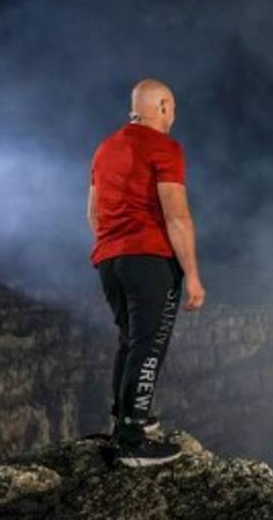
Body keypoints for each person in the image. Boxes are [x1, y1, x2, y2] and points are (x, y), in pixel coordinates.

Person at [87, 78, 206, 467]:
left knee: (131, 340)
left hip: (109, 259)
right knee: (150, 345)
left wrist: (113, 248)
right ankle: (132, 441)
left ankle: (125, 418)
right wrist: (192, 274)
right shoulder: (165, 147)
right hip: (150, 259)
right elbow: (176, 214)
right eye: (172, 108)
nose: (174, 116)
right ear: (164, 106)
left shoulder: (105, 148)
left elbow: (94, 212)